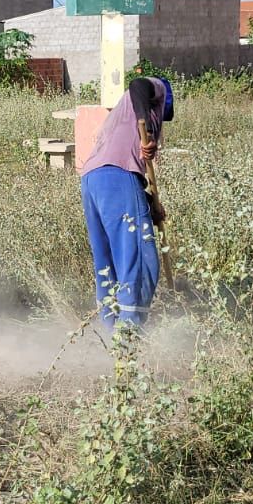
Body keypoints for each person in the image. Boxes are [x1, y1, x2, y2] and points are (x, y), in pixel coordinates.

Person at [79, 76, 173, 335]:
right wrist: (149, 133)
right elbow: (138, 85)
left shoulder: (119, 119)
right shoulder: (156, 91)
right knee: (139, 259)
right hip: (119, 178)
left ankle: (110, 334)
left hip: (92, 180)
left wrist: (150, 206)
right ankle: (129, 340)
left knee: (107, 263)